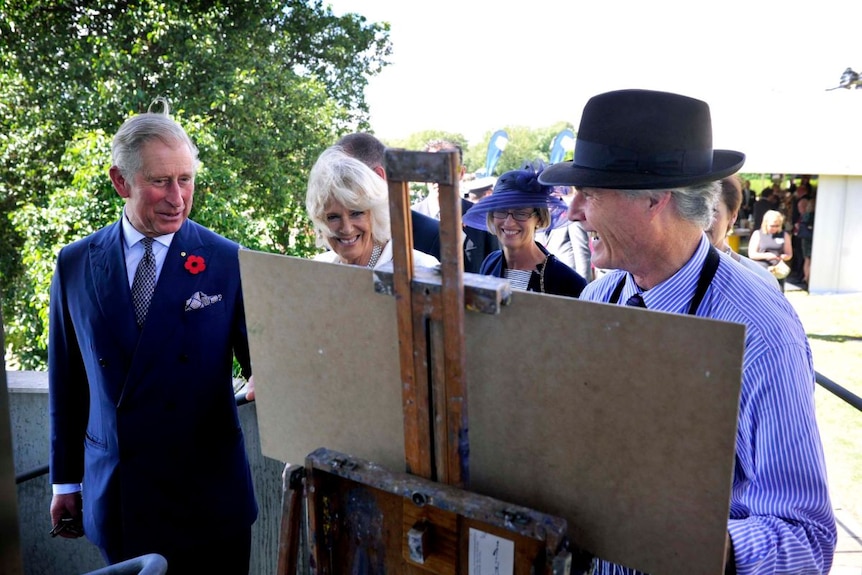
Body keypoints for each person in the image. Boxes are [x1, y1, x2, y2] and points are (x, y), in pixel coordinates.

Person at [539, 89, 835, 574]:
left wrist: (697, 544)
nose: (573, 211)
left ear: (655, 199)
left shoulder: (758, 332)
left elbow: (806, 537)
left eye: (589, 193)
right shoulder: (598, 300)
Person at [48, 99, 258, 573]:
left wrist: (269, 374)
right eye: (160, 181)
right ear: (120, 181)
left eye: (186, 179)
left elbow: (263, 363)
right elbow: (67, 380)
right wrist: (66, 483)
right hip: (121, 496)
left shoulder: (227, 260)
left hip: (209, 501)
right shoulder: (76, 263)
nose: (177, 197)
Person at [305, 145, 440, 269]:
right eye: (333, 217)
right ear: (321, 221)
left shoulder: (420, 268)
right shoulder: (318, 268)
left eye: (356, 213)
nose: (346, 228)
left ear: (375, 213)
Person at [461, 166, 587, 297]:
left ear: (539, 218)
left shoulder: (567, 281)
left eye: (520, 213)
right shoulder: (490, 262)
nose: (509, 222)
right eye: (501, 212)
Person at [334, 132, 442, 260]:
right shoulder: (337, 233)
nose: (336, 189)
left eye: (346, 179)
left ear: (378, 176)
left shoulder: (433, 237)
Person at [414, 139, 500, 273]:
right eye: (431, 168)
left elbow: (494, 270)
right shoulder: (409, 218)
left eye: (446, 168)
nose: (439, 176)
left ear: (461, 172)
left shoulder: (481, 217)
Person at [707, 175, 780, 288]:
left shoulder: (761, 280)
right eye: (691, 209)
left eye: (712, 211)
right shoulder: (672, 273)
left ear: (732, 217)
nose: (700, 219)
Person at [749, 209, 793, 292]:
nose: (774, 228)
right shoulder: (757, 234)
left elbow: (789, 254)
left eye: (777, 226)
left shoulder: (784, 235)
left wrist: (784, 257)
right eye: (772, 226)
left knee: (778, 294)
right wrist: (767, 255)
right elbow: (751, 254)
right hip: (761, 270)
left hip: (777, 271)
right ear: (766, 224)